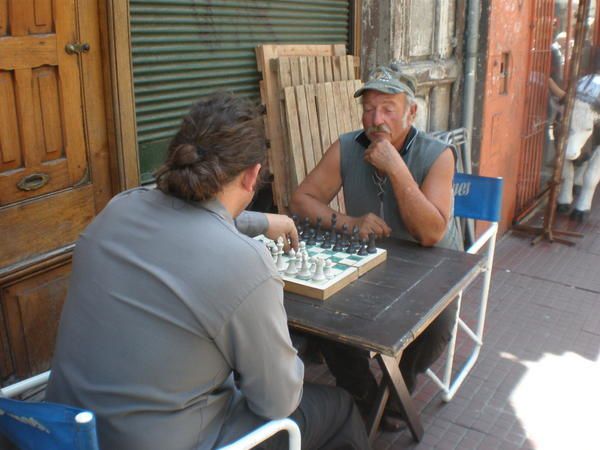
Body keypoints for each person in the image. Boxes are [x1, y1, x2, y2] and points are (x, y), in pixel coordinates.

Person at [45, 93, 370, 450]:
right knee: (339, 408)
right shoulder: (244, 264)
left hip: (66, 432)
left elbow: (188, 215)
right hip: (169, 442)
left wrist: (260, 221)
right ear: (252, 176)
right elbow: (278, 403)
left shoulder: (118, 208)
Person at [290, 63, 462, 430]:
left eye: (388, 108)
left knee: (436, 327)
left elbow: (431, 233)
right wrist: (350, 223)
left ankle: (399, 389)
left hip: (429, 262)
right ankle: (365, 395)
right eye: (369, 108)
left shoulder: (438, 155)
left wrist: (396, 168)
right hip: (371, 259)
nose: (376, 118)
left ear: (411, 112)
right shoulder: (348, 146)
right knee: (327, 317)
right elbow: (302, 199)